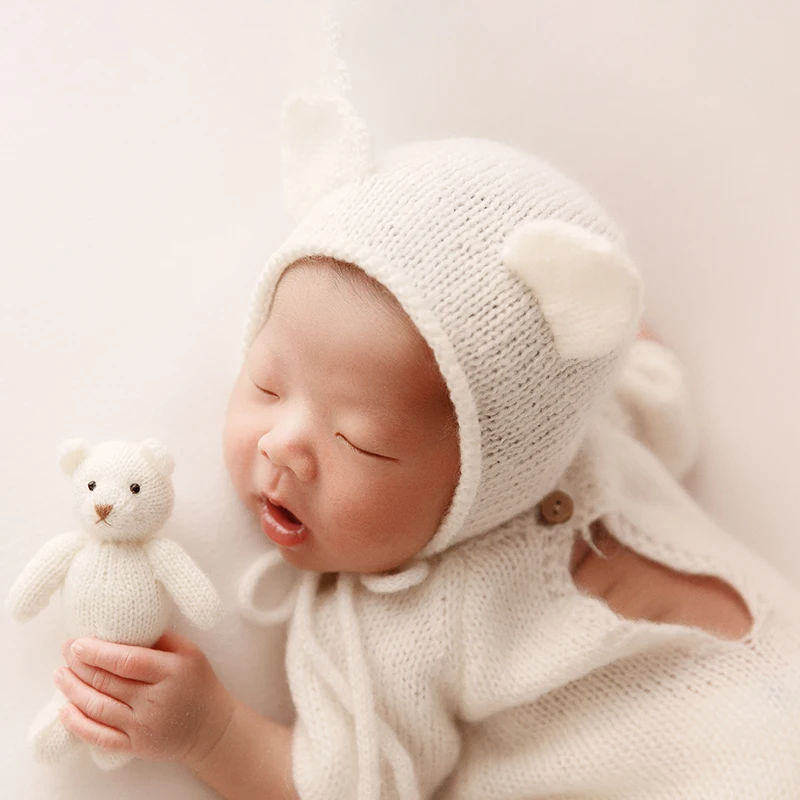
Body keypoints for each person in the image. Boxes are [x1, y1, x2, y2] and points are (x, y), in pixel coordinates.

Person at [53, 122, 800, 798]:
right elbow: (658, 400)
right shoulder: (593, 431)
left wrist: (210, 733)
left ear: (483, 472)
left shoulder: (404, 616)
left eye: (362, 442)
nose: (283, 446)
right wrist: (206, 726)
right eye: (267, 382)